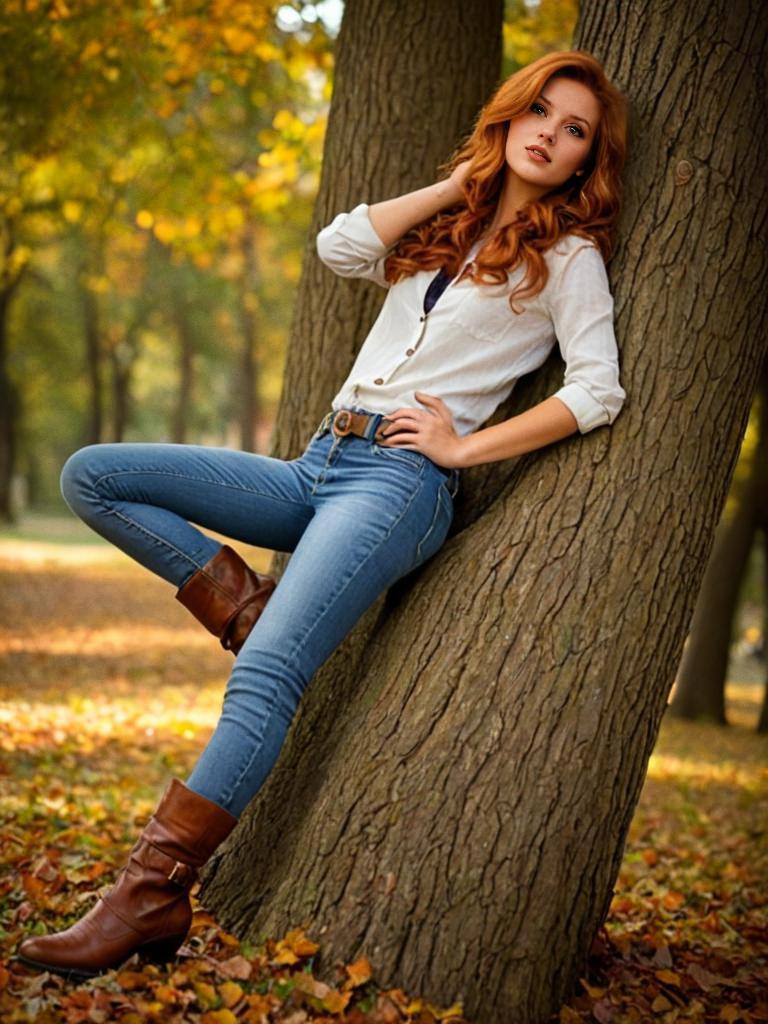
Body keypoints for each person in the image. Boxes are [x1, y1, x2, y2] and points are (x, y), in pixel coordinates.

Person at [16, 48, 628, 978]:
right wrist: (459, 182)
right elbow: (339, 245)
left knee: (264, 684)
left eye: (574, 129)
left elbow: (598, 391)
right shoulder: (448, 222)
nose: (550, 133)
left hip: (399, 487)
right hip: (317, 462)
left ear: (587, 160)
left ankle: (146, 897)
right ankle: (252, 611)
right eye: (539, 111)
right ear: (509, 117)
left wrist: (461, 448)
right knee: (92, 476)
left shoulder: (568, 257)